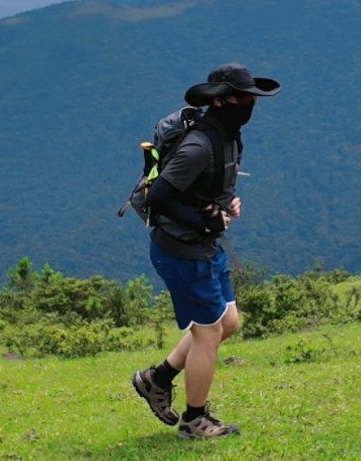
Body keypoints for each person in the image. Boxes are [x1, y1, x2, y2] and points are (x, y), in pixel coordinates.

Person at [130, 62, 280, 440]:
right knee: (209, 332)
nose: (251, 104)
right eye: (245, 98)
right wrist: (203, 222)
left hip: (203, 244)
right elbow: (159, 196)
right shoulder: (198, 145)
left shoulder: (227, 136)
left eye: (252, 98)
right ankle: (194, 421)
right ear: (223, 100)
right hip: (181, 249)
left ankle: (156, 379)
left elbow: (202, 191)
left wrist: (224, 206)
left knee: (228, 323)